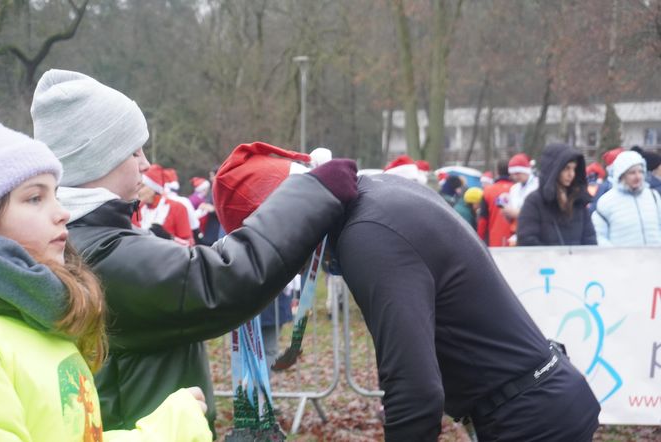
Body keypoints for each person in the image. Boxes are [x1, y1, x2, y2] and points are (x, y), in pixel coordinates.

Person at [30, 68, 358, 434]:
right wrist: (312, 191)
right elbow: (219, 278)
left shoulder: (85, 238)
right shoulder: (97, 252)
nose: (144, 163)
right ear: (98, 160)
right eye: (133, 151)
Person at [214, 143, 601, 442]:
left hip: (531, 419)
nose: (290, 268)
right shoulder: (377, 194)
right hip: (533, 402)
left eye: (275, 253)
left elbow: (415, 391)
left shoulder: (368, 234)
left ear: (285, 221)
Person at [0, 122, 211, 441]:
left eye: (55, 194)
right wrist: (160, 434)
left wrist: (170, 424)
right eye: (34, 198)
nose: (62, 213)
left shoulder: (47, 322)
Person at [517, 144, 596, 246]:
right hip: (546, 261)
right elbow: (527, 240)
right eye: (566, 168)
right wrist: (553, 259)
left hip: (577, 261)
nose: (571, 174)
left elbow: (589, 240)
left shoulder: (578, 201)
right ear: (554, 169)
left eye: (574, 169)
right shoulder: (534, 202)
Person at [591, 150, 661, 246]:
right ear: (621, 175)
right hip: (622, 259)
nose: (638, 176)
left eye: (640, 172)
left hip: (654, 258)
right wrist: (613, 255)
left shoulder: (653, 197)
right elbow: (598, 235)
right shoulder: (606, 202)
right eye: (632, 173)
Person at [133, 163, 193, 245]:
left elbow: (189, 245)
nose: (137, 190)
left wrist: (169, 238)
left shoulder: (177, 208)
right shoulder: (136, 209)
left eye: (142, 186)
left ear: (153, 188)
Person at [501, 153, 538, 245]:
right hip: (516, 234)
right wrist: (506, 213)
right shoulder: (514, 188)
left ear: (526, 171)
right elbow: (510, 217)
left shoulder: (537, 185)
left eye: (518, 173)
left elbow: (539, 213)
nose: (514, 177)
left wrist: (517, 213)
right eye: (512, 174)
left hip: (533, 234)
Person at [477, 159, 514, 247]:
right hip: (515, 240)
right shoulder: (517, 190)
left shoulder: (488, 191)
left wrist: (479, 240)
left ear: (497, 171)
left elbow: (483, 220)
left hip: (495, 240)